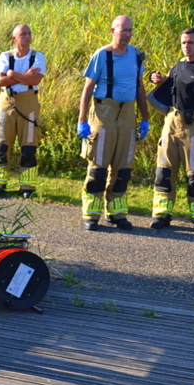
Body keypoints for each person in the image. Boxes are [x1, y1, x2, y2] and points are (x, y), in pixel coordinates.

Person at [76, 15, 150, 231]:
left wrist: (145, 118)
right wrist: (82, 121)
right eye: (122, 30)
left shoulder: (136, 55)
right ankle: (91, 215)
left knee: (123, 167)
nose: (126, 34)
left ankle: (117, 214)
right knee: (98, 167)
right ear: (112, 31)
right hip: (104, 113)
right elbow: (88, 88)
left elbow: (139, 86)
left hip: (127, 114)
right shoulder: (102, 55)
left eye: (129, 30)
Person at [147, 28, 194, 234]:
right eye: (183, 43)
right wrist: (158, 80)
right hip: (172, 122)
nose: (186, 46)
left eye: (190, 42)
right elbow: (171, 88)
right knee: (164, 172)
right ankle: (161, 215)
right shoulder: (178, 66)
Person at [0, 24, 45, 199]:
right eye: (23, 34)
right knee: (1, 145)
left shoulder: (38, 57)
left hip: (29, 101)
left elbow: (36, 78)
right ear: (14, 38)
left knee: (29, 145)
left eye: (29, 33)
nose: (27, 36)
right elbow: (0, 82)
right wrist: (23, 75)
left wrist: (12, 74)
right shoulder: (4, 56)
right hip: (6, 101)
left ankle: (27, 186)